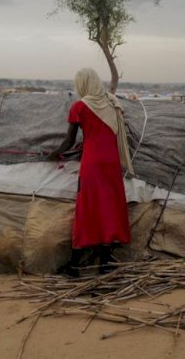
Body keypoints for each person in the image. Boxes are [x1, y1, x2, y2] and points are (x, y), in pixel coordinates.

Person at [48, 68, 134, 277]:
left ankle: (75, 267)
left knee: (87, 209)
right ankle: (104, 267)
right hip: (111, 164)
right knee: (109, 210)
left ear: (83, 84)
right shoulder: (112, 105)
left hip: (92, 164)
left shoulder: (80, 106)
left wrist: (53, 154)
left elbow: (69, 141)